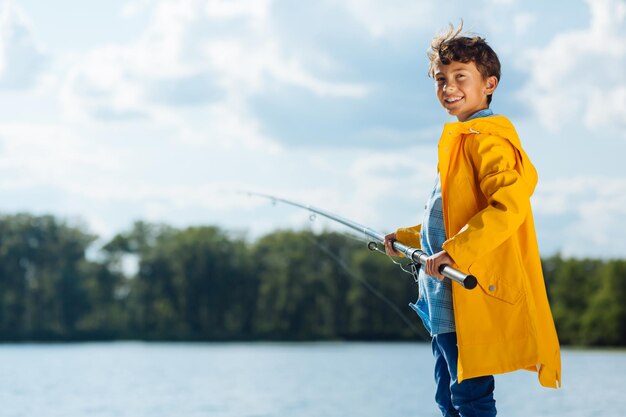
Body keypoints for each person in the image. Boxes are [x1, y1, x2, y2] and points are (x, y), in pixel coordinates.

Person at [384, 23, 561, 417]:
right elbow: (450, 220)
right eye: (441, 79)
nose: (448, 87)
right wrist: (405, 237)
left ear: (489, 83)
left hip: (466, 299)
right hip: (440, 299)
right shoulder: (460, 140)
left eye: (460, 77)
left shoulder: (488, 139)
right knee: (447, 397)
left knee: (471, 399)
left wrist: (456, 252)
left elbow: (507, 207)